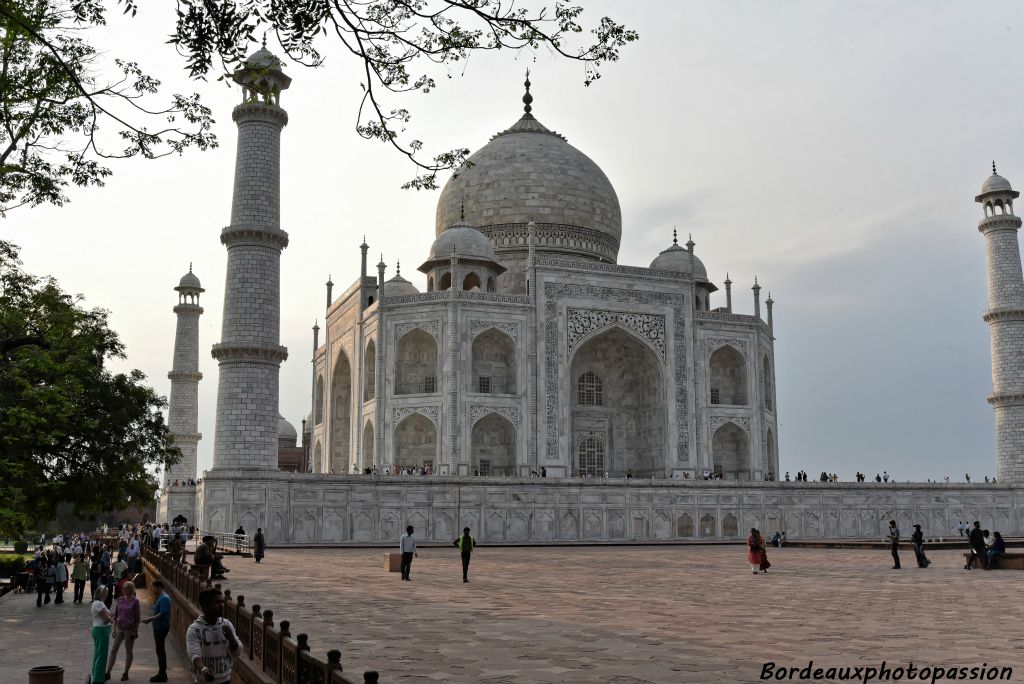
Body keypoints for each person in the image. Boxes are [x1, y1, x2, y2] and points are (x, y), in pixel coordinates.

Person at [186, 588, 243, 684]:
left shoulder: (227, 624)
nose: (221, 605)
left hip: (225, 680)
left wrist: (231, 638)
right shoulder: (195, 629)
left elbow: (236, 653)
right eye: (217, 602)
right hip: (203, 681)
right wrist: (204, 669)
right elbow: (194, 654)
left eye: (222, 602)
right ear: (205, 606)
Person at [107, 580, 141, 681]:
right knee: (113, 650)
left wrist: (135, 631)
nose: (123, 589)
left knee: (128, 651)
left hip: (129, 629)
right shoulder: (120, 599)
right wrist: (113, 629)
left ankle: (125, 672)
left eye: (125, 588)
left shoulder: (135, 601)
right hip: (119, 627)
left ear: (130, 589)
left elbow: (137, 618)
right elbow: (116, 615)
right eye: (123, 588)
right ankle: (108, 672)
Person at [142, 579, 172, 682]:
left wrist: (150, 619)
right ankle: (161, 672)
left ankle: (162, 674)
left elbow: (162, 614)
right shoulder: (161, 597)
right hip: (158, 627)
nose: (153, 590)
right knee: (159, 650)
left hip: (161, 627)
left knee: (160, 651)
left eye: (154, 588)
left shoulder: (164, 598)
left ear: (159, 587)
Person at [91, 586, 113, 684]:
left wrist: (110, 616)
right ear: (102, 593)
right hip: (101, 630)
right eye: (106, 592)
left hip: (99, 629)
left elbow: (107, 615)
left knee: (98, 654)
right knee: (101, 656)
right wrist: (111, 619)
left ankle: (96, 676)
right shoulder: (99, 603)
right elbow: (106, 619)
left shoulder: (98, 603)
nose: (107, 594)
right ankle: (98, 679)